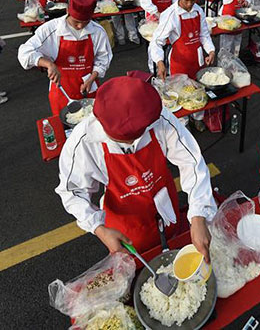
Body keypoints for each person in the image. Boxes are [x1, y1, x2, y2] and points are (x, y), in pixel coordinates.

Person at [55, 75, 217, 255]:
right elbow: (72, 192)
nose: (135, 142)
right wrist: (99, 229)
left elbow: (191, 162)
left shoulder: (156, 116)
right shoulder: (83, 142)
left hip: (164, 206)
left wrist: (198, 215)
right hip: (124, 225)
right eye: (126, 140)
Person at [17, 0, 112, 115]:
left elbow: (103, 60)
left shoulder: (97, 32)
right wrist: (48, 64)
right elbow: (24, 53)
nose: (80, 27)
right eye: (76, 22)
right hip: (62, 92)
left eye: (85, 23)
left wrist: (92, 78)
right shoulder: (51, 29)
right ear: (67, 11)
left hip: (89, 89)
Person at [148, 0, 215, 130]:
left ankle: (198, 117)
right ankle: (183, 124)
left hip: (197, 60)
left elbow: (204, 34)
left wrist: (210, 50)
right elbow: (157, 41)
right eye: (186, 0)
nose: (190, 4)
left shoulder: (198, 11)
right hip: (180, 62)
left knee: (198, 90)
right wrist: (160, 63)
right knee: (181, 94)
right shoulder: (170, 15)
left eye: (193, 0)